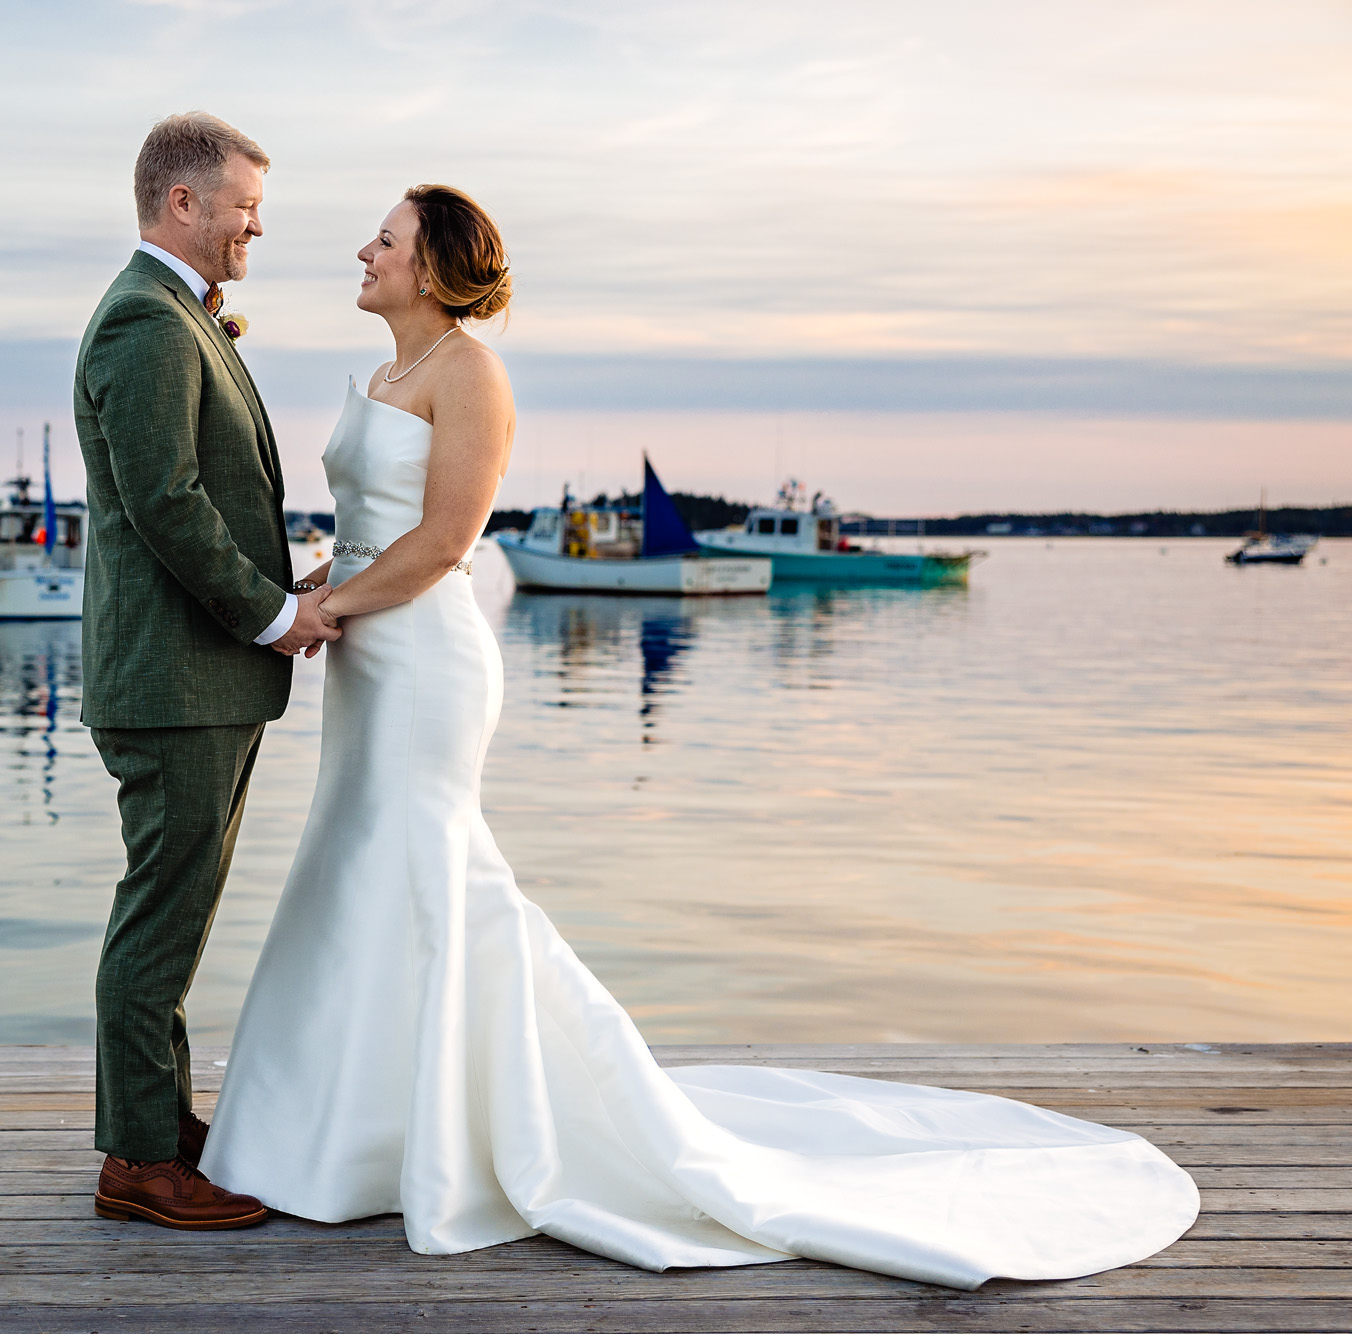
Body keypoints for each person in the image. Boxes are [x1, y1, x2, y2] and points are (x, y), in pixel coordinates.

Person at [197, 184, 1203, 1287]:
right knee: (358, 871)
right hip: (365, 661)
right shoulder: (386, 376)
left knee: (425, 870)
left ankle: (449, 1128)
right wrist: (310, 587)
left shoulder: (468, 374)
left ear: (428, 270)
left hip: (423, 661)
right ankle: (358, 1127)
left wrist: (325, 613)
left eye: (382, 241)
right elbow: (367, 531)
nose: (363, 249)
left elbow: (443, 543)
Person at [72, 112, 338, 1231]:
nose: (255, 226)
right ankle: (136, 1161)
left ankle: (155, 1112)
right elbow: (166, 506)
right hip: (173, 681)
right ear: (182, 202)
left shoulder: (177, 316)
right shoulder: (144, 323)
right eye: (243, 205)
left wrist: (300, 572)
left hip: (197, 679)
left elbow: (206, 498)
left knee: (177, 911)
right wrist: (275, 612)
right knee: (159, 915)